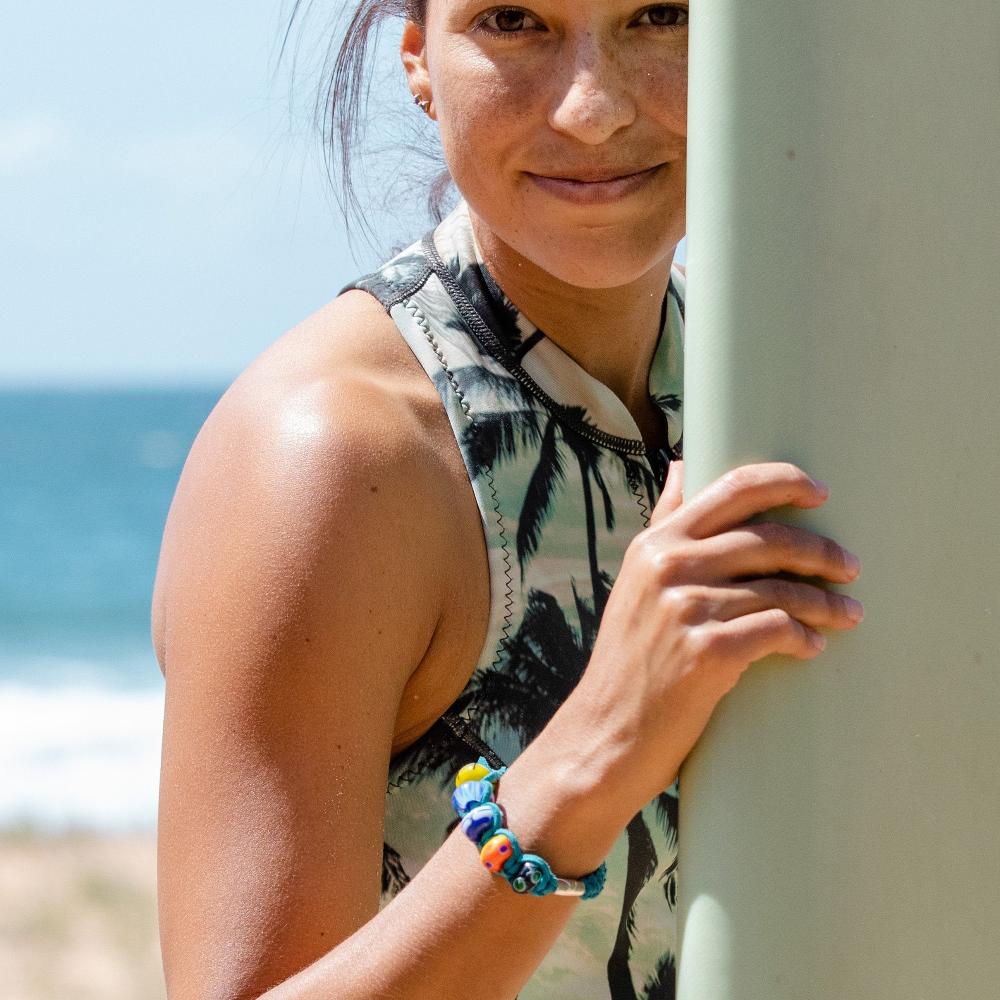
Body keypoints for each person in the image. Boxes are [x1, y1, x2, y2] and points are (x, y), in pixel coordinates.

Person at [152, 2, 864, 998]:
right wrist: (594, 749)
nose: (591, 108)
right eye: (512, 21)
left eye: (659, 16)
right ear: (419, 62)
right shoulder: (338, 453)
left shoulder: (783, 398)